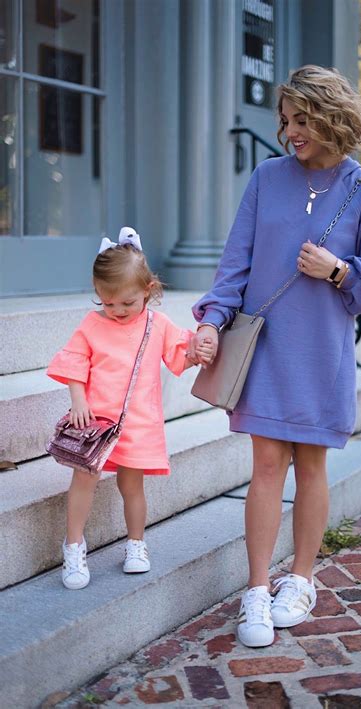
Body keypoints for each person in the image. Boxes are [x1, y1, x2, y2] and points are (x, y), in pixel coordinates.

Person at [189, 65, 361, 647]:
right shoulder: (266, 178)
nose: (290, 132)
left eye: (301, 120)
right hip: (265, 349)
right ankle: (257, 590)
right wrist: (211, 322)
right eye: (286, 121)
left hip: (321, 351)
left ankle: (301, 580)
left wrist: (337, 270)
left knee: (311, 467)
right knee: (264, 468)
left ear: (333, 117)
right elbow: (235, 264)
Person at [47, 227, 213, 590]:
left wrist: (197, 351)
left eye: (127, 303)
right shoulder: (93, 325)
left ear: (148, 291)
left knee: (132, 484)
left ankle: (136, 544)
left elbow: (180, 355)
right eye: (107, 303)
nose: (117, 311)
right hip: (95, 420)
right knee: (84, 480)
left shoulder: (158, 324)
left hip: (137, 422)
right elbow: (74, 360)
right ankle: (73, 545)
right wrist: (78, 398)